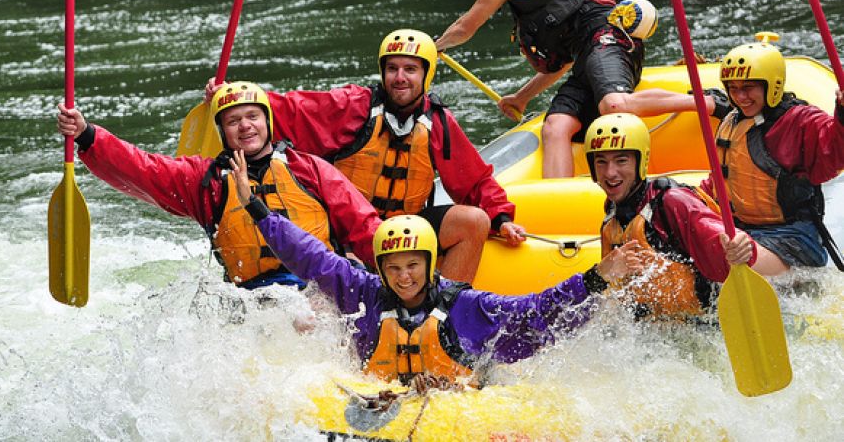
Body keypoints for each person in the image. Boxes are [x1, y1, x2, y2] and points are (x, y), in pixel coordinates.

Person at [228, 148, 641, 385]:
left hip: (457, 408)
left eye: (413, 266)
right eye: (393, 268)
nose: (404, 277)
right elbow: (312, 257)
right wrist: (256, 208)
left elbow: (536, 311)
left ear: (431, 265)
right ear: (381, 269)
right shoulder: (365, 293)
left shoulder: (465, 306)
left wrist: (595, 278)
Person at [205, 29, 527, 283]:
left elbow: (474, 180)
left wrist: (502, 218)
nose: (399, 77)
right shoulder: (353, 106)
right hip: (352, 235)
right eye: (392, 68)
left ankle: (441, 312)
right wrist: (230, 97)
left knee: (474, 220)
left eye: (410, 69)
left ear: (426, 76)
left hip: (408, 231)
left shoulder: (439, 123)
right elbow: (291, 110)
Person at [56, 81, 382, 289]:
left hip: (318, 288)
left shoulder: (311, 169)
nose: (245, 126)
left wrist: (404, 274)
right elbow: (143, 169)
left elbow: (363, 227)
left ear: (267, 121)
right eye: (232, 120)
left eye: (252, 116)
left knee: (311, 315)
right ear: (222, 131)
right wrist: (88, 135)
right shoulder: (207, 182)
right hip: (255, 299)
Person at [434, 0, 732, 178]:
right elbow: (562, 63)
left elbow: (466, 27)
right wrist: (521, 97)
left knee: (613, 106)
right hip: (586, 59)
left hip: (611, 40)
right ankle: (558, 200)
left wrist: (433, 47)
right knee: (556, 126)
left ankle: (706, 102)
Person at [584, 113, 760, 318]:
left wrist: (740, 246)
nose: (610, 173)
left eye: (621, 161)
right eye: (601, 162)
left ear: (641, 161)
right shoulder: (613, 213)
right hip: (655, 331)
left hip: (702, 326)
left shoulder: (672, 202)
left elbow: (717, 236)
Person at [703, 33, 844, 275]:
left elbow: (835, 148)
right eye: (733, 89)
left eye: (748, 88)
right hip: (743, 232)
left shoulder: (799, 121)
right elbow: (718, 183)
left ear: (772, 85)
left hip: (794, 238)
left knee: (732, 259)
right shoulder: (733, 121)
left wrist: (842, 115)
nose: (740, 97)